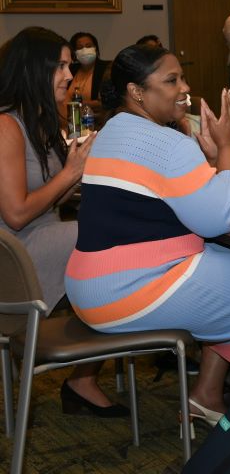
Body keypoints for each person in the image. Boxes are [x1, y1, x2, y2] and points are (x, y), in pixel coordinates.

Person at [65, 44, 230, 424]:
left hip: (88, 286)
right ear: (137, 92)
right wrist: (227, 146)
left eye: (183, 77)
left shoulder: (111, 130)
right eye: (171, 80)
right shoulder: (167, 142)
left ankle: (207, 395)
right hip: (134, 290)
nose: (185, 87)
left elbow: (174, 199)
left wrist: (211, 160)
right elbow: (221, 219)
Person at [0, 26, 123, 418]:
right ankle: (84, 377)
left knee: (116, 237)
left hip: (41, 235)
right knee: (113, 245)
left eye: (70, 65)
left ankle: (85, 373)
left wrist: (86, 171)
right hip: (14, 257)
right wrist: (71, 174)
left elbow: (54, 195)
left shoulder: (43, 120)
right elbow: (16, 213)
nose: (70, 76)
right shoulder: (6, 126)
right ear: (34, 70)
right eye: (61, 66)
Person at [67, 31, 110, 123]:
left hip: (98, 123)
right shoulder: (70, 69)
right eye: (79, 47)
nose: (84, 50)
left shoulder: (107, 69)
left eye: (88, 46)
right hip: (71, 122)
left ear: (96, 49)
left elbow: (107, 102)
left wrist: (78, 105)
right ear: (74, 53)